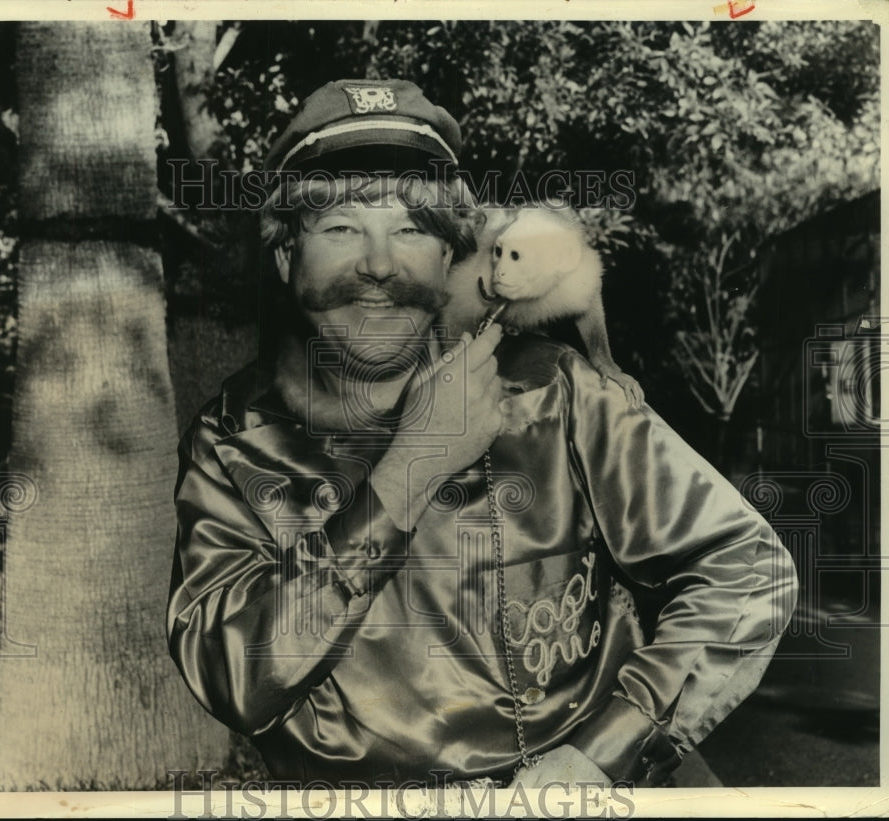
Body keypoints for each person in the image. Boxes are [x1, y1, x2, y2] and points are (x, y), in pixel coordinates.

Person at [166, 78, 798, 788]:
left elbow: (747, 569)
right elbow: (232, 678)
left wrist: (604, 750)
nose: (378, 264)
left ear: (450, 259)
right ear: (286, 257)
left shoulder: (552, 389)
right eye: (341, 227)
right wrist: (411, 468)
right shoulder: (230, 439)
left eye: (411, 229)